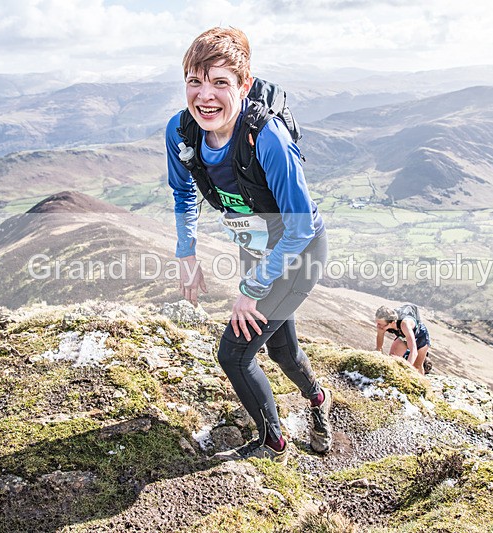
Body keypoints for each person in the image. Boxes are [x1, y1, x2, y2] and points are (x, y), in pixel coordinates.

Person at [165, 27, 332, 463]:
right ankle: (318, 399)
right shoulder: (182, 132)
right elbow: (184, 192)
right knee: (279, 348)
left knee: (235, 354)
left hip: (300, 251)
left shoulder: (267, 138)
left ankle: (272, 444)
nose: (205, 95)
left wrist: (252, 289)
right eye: (195, 81)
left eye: (220, 82)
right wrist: (187, 252)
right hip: (257, 247)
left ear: (243, 85)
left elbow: (297, 228)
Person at [375, 305, 431, 375]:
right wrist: (377, 354)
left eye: (380, 324)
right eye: (377, 323)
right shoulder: (385, 321)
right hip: (403, 336)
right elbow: (379, 347)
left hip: (420, 337)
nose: (378, 326)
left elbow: (413, 351)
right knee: (393, 358)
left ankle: (421, 384)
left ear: (392, 323)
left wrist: (406, 370)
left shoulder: (405, 324)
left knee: (416, 366)